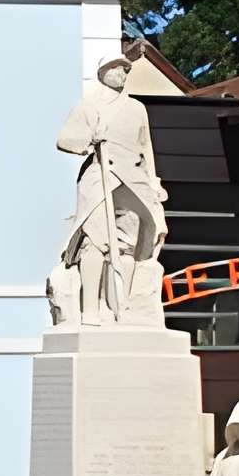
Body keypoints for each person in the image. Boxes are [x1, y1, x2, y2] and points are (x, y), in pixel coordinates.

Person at [50, 51, 169, 326]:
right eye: (116, 68)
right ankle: (90, 309)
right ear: (103, 72)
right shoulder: (89, 106)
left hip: (133, 179)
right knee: (95, 241)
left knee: (128, 245)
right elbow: (65, 139)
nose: (122, 74)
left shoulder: (137, 108)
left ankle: (119, 307)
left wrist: (153, 181)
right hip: (100, 178)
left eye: (126, 70)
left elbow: (145, 147)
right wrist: (90, 138)